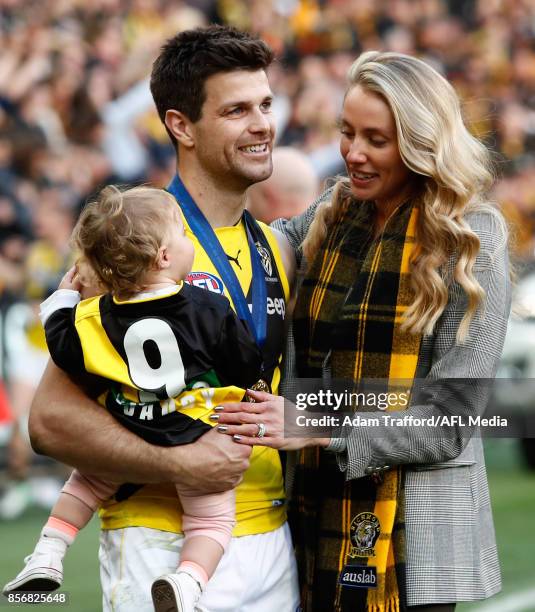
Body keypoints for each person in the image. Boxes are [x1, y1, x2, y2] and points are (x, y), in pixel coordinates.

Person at [216, 51, 511, 611]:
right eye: (347, 133)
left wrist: (317, 423)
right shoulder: (336, 208)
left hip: (418, 544)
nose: (353, 153)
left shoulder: (476, 239)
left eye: (377, 139)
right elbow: (248, 254)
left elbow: (451, 419)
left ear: (423, 142)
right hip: (314, 507)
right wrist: (134, 245)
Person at [28, 26, 299, 612]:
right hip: (161, 543)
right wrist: (177, 460)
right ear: (181, 126)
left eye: (265, 105)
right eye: (237, 110)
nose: (262, 125)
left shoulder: (276, 250)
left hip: (270, 537)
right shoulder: (134, 247)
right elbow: (49, 421)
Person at [3, 185, 266, 612]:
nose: (188, 242)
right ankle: (187, 581)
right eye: (181, 234)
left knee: (86, 481)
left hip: (130, 425)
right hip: (195, 432)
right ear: (164, 256)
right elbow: (244, 363)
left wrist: (64, 299)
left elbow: (63, 347)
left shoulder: (98, 315)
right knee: (212, 520)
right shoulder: (207, 307)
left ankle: (50, 551)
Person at [247, 146, 319, 224]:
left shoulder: (262, 233)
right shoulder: (326, 230)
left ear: (268, 196)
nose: (248, 207)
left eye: (251, 198)